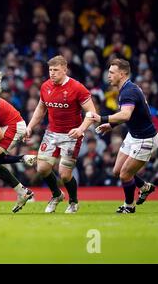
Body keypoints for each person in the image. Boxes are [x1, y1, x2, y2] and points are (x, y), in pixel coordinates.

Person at [87, 58, 158, 213]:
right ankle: (144, 187)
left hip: (145, 139)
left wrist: (102, 118)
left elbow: (126, 115)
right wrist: (111, 124)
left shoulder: (128, 91)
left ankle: (129, 206)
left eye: (112, 72)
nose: (108, 75)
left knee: (125, 175)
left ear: (122, 74)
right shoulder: (128, 88)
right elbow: (131, 115)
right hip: (134, 136)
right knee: (117, 171)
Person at [25, 55, 96, 213]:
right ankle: (56, 195)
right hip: (51, 133)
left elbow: (92, 113)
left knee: (64, 175)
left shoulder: (77, 88)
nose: (52, 73)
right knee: (42, 168)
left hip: (71, 136)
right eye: (50, 70)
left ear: (65, 70)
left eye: (56, 70)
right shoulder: (45, 86)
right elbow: (41, 108)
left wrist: (81, 129)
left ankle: (73, 201)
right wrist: (30, 126)